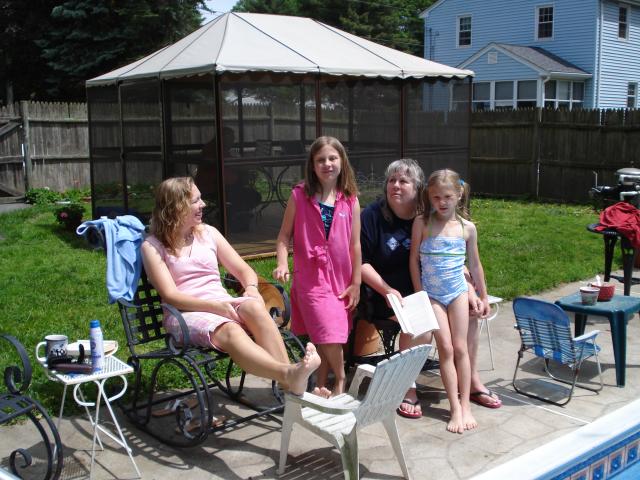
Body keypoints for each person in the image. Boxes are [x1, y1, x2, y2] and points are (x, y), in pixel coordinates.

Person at [141, 176, 320, 396]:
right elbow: (170, 296)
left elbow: (244, 270)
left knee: (254, 307)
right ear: (177, 207)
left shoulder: (208, 233)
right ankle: (290, 377)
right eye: (196, 201)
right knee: (231, 329)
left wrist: (251, 289)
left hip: (221, 302)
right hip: (183, 313)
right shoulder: (153, 246)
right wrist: (216, 308)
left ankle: (291, 383)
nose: (203, 204)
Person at [360, 160, 500, 422]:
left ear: (417, 189)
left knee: (470, 315)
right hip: (387, 294)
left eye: (403, 181)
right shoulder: (373, 216)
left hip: (435, 289)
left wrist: (472, 289)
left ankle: (470, 381)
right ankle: (408, 386)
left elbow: (453, 258)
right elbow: (361, 262)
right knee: (422, 327)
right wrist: (388, 290)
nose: (396, 186)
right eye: (391, 180)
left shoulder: (431, 212)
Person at [273, 136, 362, 397]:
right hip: (311, 278)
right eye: (320, 159)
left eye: (332, 158)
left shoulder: (350, 200)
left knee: (325, 332)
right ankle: (341, 379)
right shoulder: (299, 196)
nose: (327, 164)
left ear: (342, 161)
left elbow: (355, 245)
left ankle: (320, 383)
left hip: (341, 280)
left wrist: (356, 283)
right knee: (327, 329)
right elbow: (283, 236)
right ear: (312, 165)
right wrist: (282, 263)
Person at [409, 168, 488, 434]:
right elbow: (413, 261)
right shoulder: (422, 223)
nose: (441, 202)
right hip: (432, 295)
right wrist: (420, 294)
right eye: (436, 197)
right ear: (429, 197)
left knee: (460, 348)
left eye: (447, 197)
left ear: (458, 195)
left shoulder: (467, 229)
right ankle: (454, 408)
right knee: (445, 348)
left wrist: (483, 295)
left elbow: (475, 265)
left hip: (457, 293)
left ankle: (466, 406)